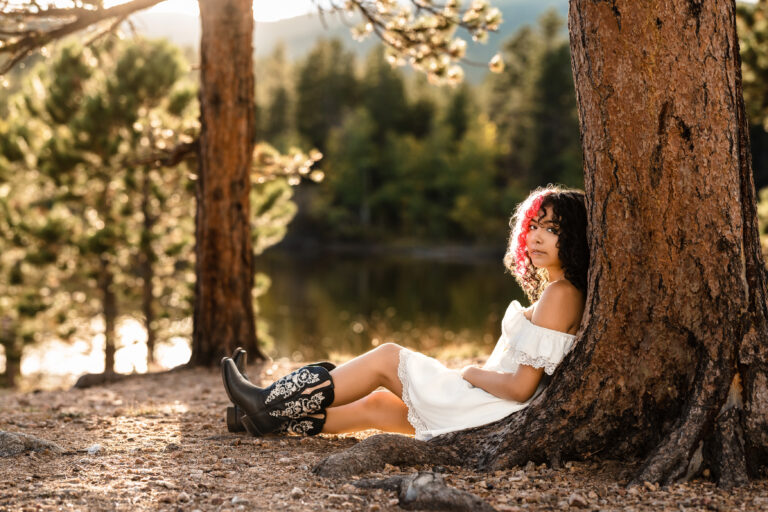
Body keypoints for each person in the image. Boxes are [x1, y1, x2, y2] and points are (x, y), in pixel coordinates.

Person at [220, 185, 589, 440]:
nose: (537, 237)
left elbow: (522, 388)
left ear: (573, 237)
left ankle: (266, 403)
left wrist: (471, 372)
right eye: (534, 226)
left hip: (490, 409)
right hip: (488, 410)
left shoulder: (561, 294)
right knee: (378, 405)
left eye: (552, 229)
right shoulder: (558, 292)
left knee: (387, 357)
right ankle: (264, 419)